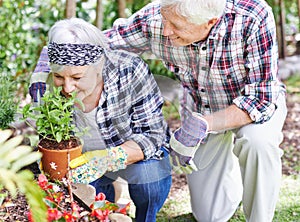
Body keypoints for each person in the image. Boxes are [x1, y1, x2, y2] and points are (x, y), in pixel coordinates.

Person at [30, 0, 288, 221]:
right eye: (165, 19)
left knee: (257, 142)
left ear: (210, 22)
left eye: (175, 26)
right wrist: (48, 59)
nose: (165, 30)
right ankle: (228, 177)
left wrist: (202, 125)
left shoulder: (252, 17)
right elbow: (99, 43)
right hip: (202, 105)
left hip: (251, 109)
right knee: (209, 215)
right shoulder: (160, 16)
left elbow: (261, 100)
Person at [31, 17, 172, 222]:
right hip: (83, 160)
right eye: (59, 77)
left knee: (149, 180)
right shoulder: (43, 84)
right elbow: (49, 136)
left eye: (77, 78)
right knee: (86, 202)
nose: (67, 88)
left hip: (131, 152)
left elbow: (153, 134)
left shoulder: (130, 70)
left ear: (99, 66)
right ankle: (107, 205)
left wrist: (107, 159)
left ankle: (145, 217)